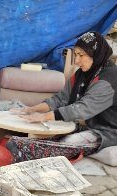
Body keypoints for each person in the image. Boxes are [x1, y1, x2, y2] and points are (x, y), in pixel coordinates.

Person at [6, 31, 116, 163]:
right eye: (75, 54)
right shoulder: (82, 73)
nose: (76, 61)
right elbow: (61, 98)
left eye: (81, 55)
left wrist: (44, 116)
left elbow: (81, 109)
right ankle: (21, 148)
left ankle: (25, 153)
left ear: (96, 55)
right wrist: (34, 109)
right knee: (46, 132)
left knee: (69, 142)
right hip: (85, 125)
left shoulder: (109, 79)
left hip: (107, 131)